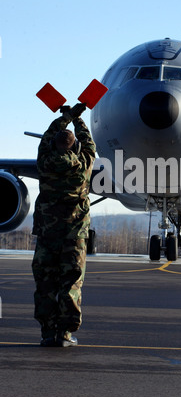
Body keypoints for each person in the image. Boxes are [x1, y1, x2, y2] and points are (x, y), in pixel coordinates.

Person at [32, 103, 96, 347]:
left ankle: (47, 333)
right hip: (74, 235)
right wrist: (79, 120)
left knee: (45, 283)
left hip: (47, 235)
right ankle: (65, 335)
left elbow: (47, 137)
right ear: (76, 148)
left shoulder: (44, 165)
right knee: (70, 284)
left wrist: (66, 116)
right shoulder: (82, 169)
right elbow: (89, 144)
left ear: (52, 146)